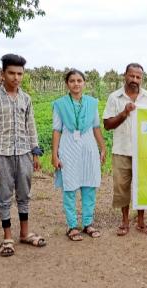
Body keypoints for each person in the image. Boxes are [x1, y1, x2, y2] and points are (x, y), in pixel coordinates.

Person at [0, 54, 46, 257]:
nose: (16, 77)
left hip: (24, 152)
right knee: (3, 196)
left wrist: (35, 152)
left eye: (19, 73)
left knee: (24, 194)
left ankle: (25, 233)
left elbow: (31, 127)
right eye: (11, 73)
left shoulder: (26, 98)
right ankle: (7, 236)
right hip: (1, 154)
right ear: (2, 74)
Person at [52, 69, 106, 241]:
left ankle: (88, 223)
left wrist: (102, 147)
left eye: (79, 80)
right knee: (70, 186)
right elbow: (57, 130)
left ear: (84, 83)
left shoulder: (92, 103)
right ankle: (72, 226)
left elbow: (96, 126)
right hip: (68, 148)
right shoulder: (60, 104)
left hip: (88, 148)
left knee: (89, 185)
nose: (76, 84)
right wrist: (55, 154)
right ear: (67, 84)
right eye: (72, 81)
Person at [103, 63, 147, 236]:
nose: (134, 80)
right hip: (121, 149)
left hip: (143, 150)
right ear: (124, 75)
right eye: (131, 76)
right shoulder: (114, 98)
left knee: (142, 186)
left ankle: (141, 221)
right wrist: (124, 113)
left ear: (142, 78)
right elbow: (107, 125)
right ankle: (124, 221)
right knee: (122, 187)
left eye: (138, 77)